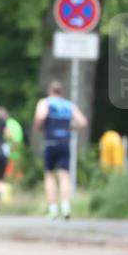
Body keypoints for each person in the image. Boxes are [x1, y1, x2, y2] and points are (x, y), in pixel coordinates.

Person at [32, 80, 88, 220]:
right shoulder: (68, 104)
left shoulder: (45, 102)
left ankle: (53, 209)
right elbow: (82, 122)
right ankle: (66, 207)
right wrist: (70, 127)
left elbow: (40, 116)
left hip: (51, 141)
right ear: (61, 92)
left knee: (49, 175)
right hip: (65, 142)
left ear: (49, 91)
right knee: (64, 175)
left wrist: (39, 127)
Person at [0, 107, 25, 183]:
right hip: (18, 154)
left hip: (11, 155)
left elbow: (12, 138)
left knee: (8, 178)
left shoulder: (7, 124)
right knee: (18, 177)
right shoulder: (14, 122)